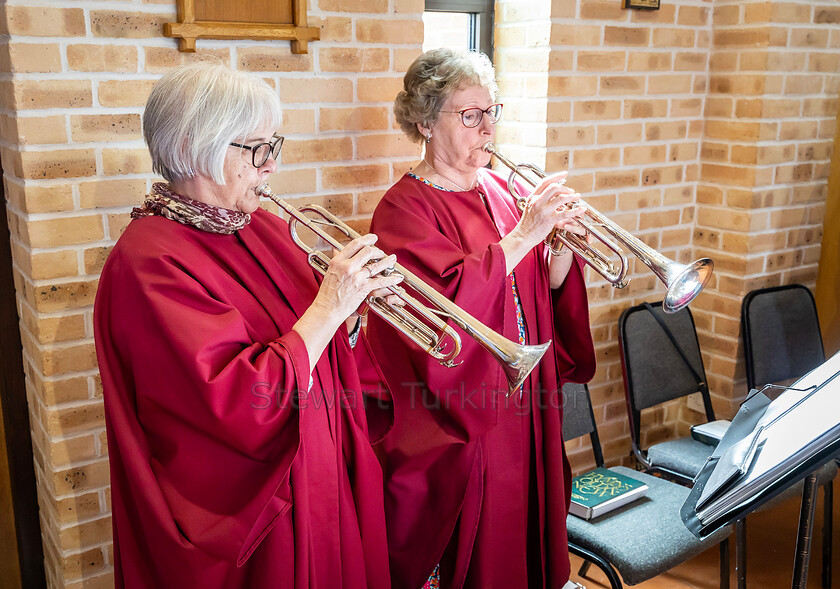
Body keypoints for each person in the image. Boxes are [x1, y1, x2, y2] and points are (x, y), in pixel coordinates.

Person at [93, 62, 402, 589]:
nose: (272, 167)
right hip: (264, 516)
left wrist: (350, 313)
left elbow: (314, 342)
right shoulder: (147, 263)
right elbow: (240, 400)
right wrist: (330, 305)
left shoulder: (261, 226)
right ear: (196, 146)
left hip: (323, 475)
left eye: (273, 146)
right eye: (257, 149)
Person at [365, 48, 597, 589]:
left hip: (527, 397)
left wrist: (560, 250)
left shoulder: (500, 189)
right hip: (468, 410)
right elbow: (440, 314)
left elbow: (537, 291)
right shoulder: (403, 208)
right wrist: (524, 236)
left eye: (492, 111)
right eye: (470, 116)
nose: (487, 128)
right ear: (425, 121)